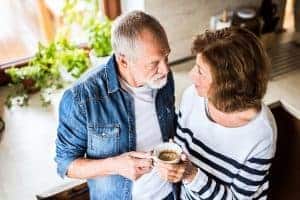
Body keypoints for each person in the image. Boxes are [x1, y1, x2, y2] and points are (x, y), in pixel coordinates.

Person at [55, 11, 178, 200]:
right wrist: (115, 165)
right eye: (154, 63)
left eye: (166, 57)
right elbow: (65, 164)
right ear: (123, 60)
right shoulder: (81, 98)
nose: (165, 69)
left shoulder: (161, 79)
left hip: (171, 193)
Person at [156, 27, 277, 199]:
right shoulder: (193, 96)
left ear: (227, 85)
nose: (191, 75)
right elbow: (181, 150)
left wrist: (192, 175)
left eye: (200, 72)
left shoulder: (260, 133)